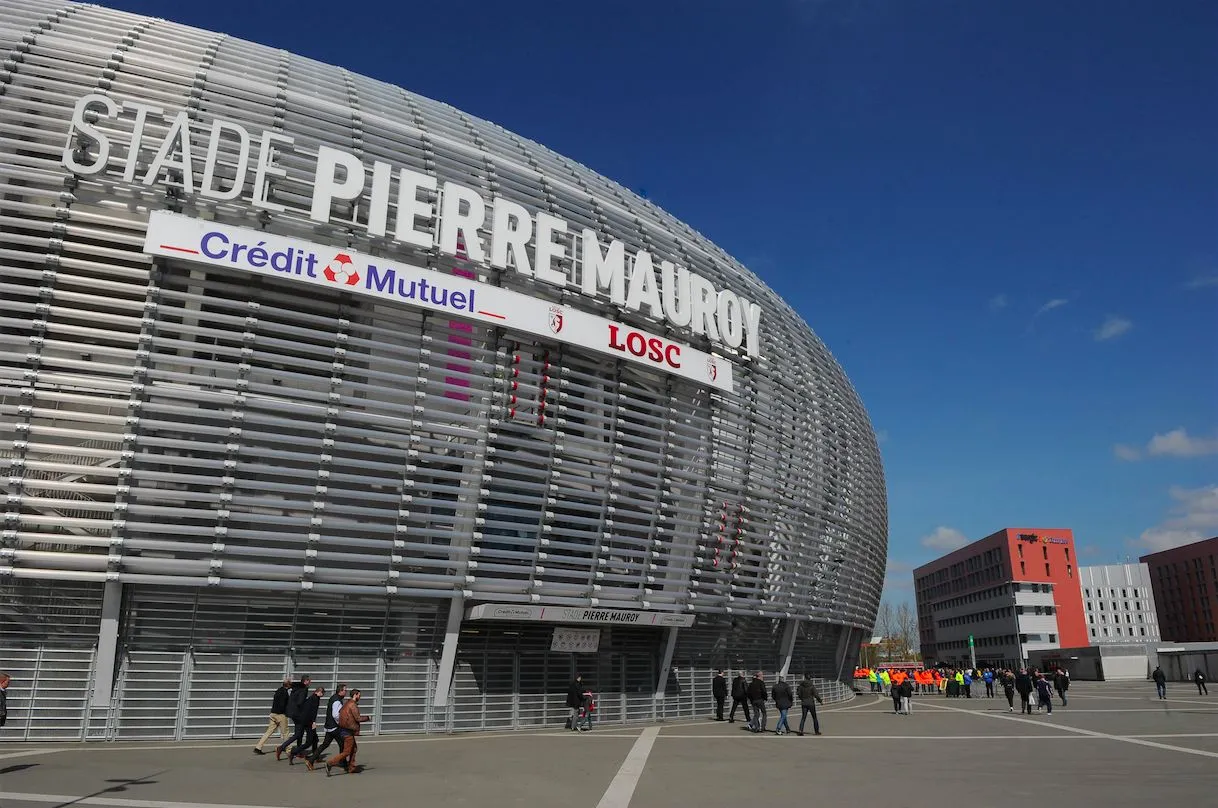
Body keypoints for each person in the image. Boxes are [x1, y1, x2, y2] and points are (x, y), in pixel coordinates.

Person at [326, 688, 369, 775]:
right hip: (348, 731)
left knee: (354, 748)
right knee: (347, 751)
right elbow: (358, 718)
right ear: (355, 695)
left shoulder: (347, 703)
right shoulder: (352, 705)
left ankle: (351, 767)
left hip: (345, 730)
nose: (360, 697)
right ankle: (330, 763)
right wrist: (367, 718)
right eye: (359, 695)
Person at [275, 674, 312, 761]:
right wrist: (306, 704)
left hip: (292, 713)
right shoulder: (304, 689)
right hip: (298, 714)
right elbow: (300, 702)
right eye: (309, 680)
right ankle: (282, 747)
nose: (310, 682)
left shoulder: (296, 688)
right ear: (305, 681)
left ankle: (298, 751)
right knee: (298, 734)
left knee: (299, 732)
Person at [309, 683, 347, 768]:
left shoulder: (334, 697)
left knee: (325, 744)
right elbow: (336, 715)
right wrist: (341, 723)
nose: (346, 692)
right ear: (340, 691)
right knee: (343, 744)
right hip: (334, 727)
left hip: (329, 726)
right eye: (345, 690)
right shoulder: (337, 700)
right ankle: (342, 762)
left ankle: (311, 760)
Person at [253, 676, 292, 755]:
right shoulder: (284, 693)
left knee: (269, 731)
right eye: (291, 684)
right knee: (285, 732)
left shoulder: (278, 690)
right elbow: (282, 705)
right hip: (280, 715)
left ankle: (258, 747)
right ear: (288, 685)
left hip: (273, 713)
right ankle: (289, 750)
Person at [289, 685, 324, 765]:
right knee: (309, 742)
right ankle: (294, 752)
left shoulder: (312, 698)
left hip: (306, 721)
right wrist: (313, 722)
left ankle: (315, 757)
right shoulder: (315, 699)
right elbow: (313, 712)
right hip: (308, 722)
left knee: (315, 740)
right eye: (322, 693)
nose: (322, 695)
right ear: (318, 692)